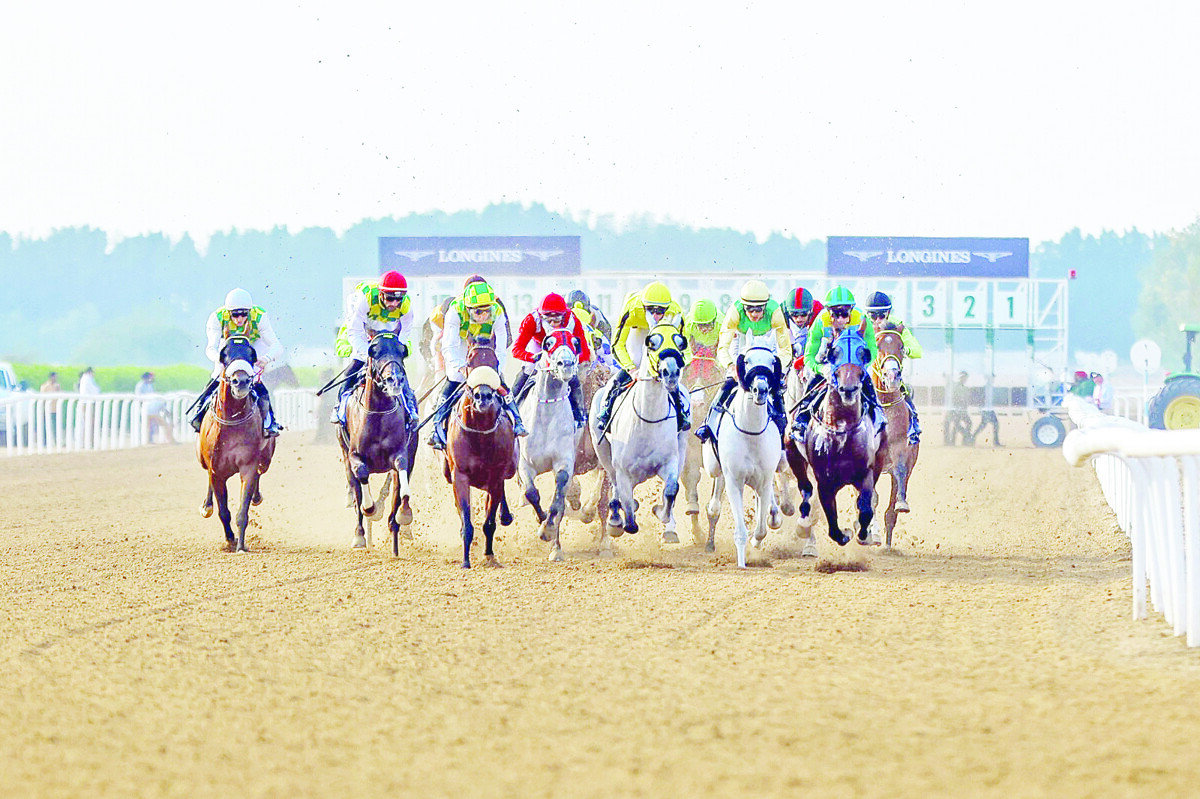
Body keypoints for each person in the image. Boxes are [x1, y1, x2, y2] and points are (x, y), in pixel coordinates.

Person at [429, 278, 525, 450]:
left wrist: (496, 371)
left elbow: (501, 348)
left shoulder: (497, 311)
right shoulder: (455, 311)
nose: (483, 316)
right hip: (461, 344)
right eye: (478, 312)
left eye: (486, 311)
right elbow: (449, 346)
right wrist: (462, 368)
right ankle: (436, 427)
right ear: (468, 308)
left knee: (499, 381)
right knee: (454, 378)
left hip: (485, 346)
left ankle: (517, 420)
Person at [695, 280, 791, 443]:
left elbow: (785, 350)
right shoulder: (735, 312)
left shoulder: (775, 312)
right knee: (729, 383)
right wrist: (731, 367)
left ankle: (784, 429)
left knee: (776, 389)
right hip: (741, 344)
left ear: (765, 306)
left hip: (766, 345)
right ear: (743, 306)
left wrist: (777, 371)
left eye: (759, 309)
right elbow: (722, 348)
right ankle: (708, 424)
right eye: (749, 309)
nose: (754, 314)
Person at [594, 280, 691, 434]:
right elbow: (617, 345)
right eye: (651, 310)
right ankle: (606, 411)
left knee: (672, 378)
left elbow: (685, 350)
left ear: (667, 308)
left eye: (660, 311)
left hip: (662, 339)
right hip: (638, 334)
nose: (655, 315)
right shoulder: (631, 308)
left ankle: (682, 414)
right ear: (643, 305)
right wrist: (632, 370)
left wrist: (672, 368)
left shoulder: (675, 311)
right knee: (634, 362)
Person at [790, 286, 884, 443]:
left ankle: (878, 415)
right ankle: (801, 420)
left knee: (868, 384)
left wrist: (862, 367)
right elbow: (809, 358)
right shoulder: (820, 322)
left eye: (844, 313)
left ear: (851, 311)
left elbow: (872, 349)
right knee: (812, 385)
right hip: (829, 364)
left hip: (854, 366)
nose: (840, 319)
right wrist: (822, 369)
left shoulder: (861, 319)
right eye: (835, 314)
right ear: (828, 312)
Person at [189, 288, 284, 437]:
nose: (240, 318)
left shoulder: (259, 316)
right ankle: (199, 413)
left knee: (257, 378)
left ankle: (269, 421)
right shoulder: (217, 317)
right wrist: (220, 360)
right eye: (235, 314)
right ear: (228, 312)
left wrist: (266, 359)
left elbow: (277, 346)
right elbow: (210, 348)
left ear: (249, 312)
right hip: (228, 345)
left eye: (244, 314)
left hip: (253, 344)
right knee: (217, 374)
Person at [331, 269, 419, 427]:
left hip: (388, 329)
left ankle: (410, 408)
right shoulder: (364, 299)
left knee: (397, 370)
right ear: (380, 294)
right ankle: (340, 406)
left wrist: (394, 352)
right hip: (363, 329)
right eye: (390, 298)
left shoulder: (405, 305)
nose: (394, 304)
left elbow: (405, 332)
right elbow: (355, 331)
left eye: (398, 299)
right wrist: (367, 354)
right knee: (354, 366)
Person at [510, 292, 593, 427]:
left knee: (572, 375)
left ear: (564, 315)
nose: (553, 323)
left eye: (557, 320)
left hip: (562, 349)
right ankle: (512, 406)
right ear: (542, 316)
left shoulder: (572, 320)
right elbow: (516, 349)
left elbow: (583, 349)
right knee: (529, 369)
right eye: (549, 320)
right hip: (539, 346)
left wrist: (575, 362)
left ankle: (579, 413)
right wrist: (531, 357)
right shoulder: (532, 320)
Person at [864, 291, 923, 445]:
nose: (877, 320)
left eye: (881, 315)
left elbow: (917, 350)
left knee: (905, 390)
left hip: (889, 370)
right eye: (873, 316)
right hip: (866, 371)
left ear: (888, 313)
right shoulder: (862, 325)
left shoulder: (897, 325)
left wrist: (905, 350)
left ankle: (913, 426)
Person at [781, 287, 822, 376]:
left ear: (810, 311)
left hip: (812, 332)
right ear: (788, 313)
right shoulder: (781, 311)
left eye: (803, 314)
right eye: (794, 315)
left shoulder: (819, 311)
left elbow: (815, 340)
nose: (799, 319)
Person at [135, 371, 175, 444]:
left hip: (151, 409)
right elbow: (139, 397)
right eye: (151, 377)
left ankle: (151, 440)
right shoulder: (140, 385)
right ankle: (169, 440)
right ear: (147, 377)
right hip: (146, 409)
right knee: (149, 426)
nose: (153, 378)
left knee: (150, 426)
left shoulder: (149, 385)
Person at [946, 371, 973, 445]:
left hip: (962, 410)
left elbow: (966, 398)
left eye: (965, 378)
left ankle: (962, 440)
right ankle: (965, 437)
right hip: (957, 409)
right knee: (957, 425)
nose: (964, 379)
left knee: (961, 424)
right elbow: (954, 397)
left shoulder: (965, 388)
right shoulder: (956, 387)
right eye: (963, 377)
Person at [39, 371, 60, 446]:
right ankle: (44, 442)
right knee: (45, 427)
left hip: (56, 410)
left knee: (56, 427)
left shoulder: (57, 386)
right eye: (55, 377)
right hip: (47, 410)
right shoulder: (44, 386)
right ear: (51, 377)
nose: (56, 378)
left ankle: (57, 441)